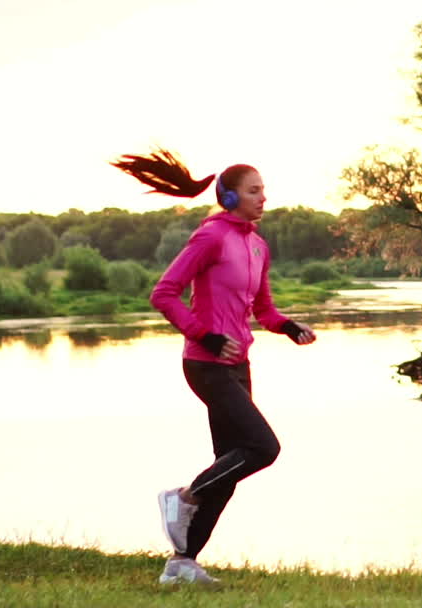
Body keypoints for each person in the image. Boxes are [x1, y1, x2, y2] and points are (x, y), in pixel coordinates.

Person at [111, 148, 316, 585]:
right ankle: (183, 496)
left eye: (264, 190)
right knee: (263, 448)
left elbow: (263, 308)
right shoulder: (211, 237)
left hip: (239, 364)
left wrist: (289, 327)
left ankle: (182, 563)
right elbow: (163, 293)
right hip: (205, 364)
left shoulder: (258, 245)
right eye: (253, 190)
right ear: (228, 197)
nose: (263, 197)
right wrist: (202, 333)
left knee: (230, 462)